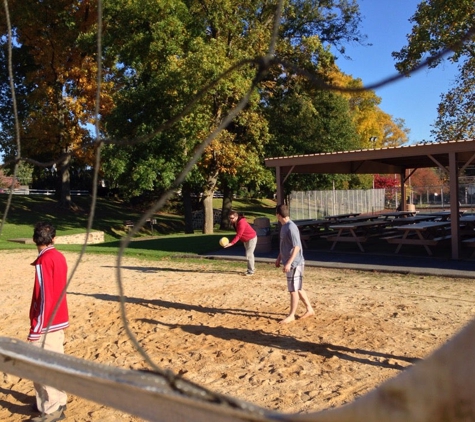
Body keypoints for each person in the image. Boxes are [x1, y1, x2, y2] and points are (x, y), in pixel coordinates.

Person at [28, 222, 69, 422]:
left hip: (47, 322)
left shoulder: (44, 260)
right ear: (53, 239)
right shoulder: (58, 256)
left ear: (35, 239)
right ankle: (58, 400)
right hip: (58, 319)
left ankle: (52, 409)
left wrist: (37, 327)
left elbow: (45, 296)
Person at [275, 204, 315, 324]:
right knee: (298, 288)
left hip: (295, 263)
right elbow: (285, 245)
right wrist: (279, 257)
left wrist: (288, 263)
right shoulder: (284, 226)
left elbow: (297, 246)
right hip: (290, 262)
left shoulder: (291, 227)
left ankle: (291, 315)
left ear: (278, 215)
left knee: (293, 290)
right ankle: (309, 309)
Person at [223, 210, 257, 276]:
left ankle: (251, 271)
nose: (230, 220)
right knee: (249, 254)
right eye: (229, 218)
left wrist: (231, 243)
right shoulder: (234, 222)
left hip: (251, 238)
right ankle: (251, 268)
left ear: (236, 217)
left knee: (248, 254)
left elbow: (239, 235)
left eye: (232, 218)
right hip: (245, 239)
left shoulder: (241, 222)